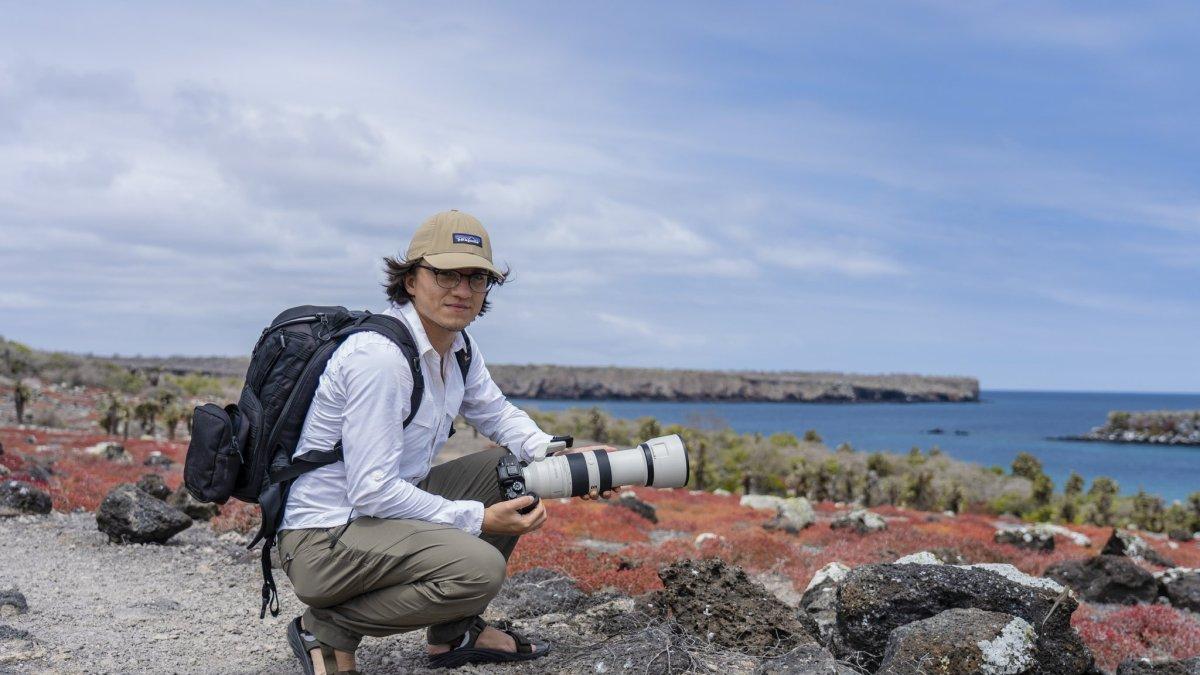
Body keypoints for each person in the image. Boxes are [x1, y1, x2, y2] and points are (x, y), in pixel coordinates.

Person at [277, 210, 615, 674]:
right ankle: (328, 629)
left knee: (514, 471)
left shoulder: (456, 348)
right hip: (326, 539)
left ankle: (453, 635)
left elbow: (497, 414)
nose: (462, 290)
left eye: (476, 278)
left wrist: (565, 458)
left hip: (377, 519)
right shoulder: (381, 360)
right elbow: (370, 490)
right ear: (411, 279)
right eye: (445, 274)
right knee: (478, 569)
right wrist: (476, 518)